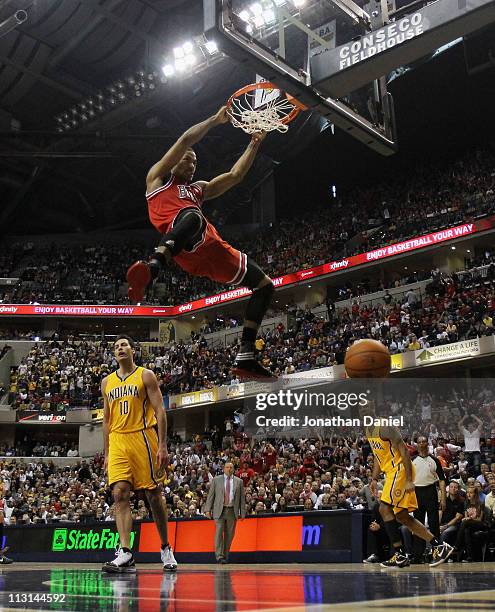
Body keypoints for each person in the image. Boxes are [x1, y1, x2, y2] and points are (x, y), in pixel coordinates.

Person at [126, 106, 275, 380]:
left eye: (195, 163)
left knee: (265, 286)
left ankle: (246, 355)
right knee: (193, 216)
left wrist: (255, 143)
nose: (192, 164)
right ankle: (154, 266)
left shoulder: (199, 189)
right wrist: (215, 120)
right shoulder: (158, 178)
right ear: (174, 161)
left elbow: (235, 176)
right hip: (183, 241)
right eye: (188, 160)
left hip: (212, 248)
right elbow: (185, 140)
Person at [101, 335, 176, 573]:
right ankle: (125, 552)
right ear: (114, 354)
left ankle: (165, 547)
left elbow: (160, 411)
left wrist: (162, 445)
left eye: (124, 344)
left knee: (153, 496)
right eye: (116, 347)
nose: (120, 348)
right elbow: (106, 419)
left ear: (133, 350)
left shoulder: (146, 375)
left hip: (143, 437)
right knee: (119, 494)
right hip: (117, 440)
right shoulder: (106, 382)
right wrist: (107, 452)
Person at [364, 405, 454, 568]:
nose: (363, 412)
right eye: (360, 410)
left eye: (366, 408)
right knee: (402, 516)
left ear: (373, 410)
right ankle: (438, 546)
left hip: (400, 470)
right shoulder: (368, 431)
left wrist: (408, 479)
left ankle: (399, 554)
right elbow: (378, 457)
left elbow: (404, 451)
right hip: (389, 473)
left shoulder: (385, 426)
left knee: (384, 509)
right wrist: (374, 479)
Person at [411, 436, 446, 563]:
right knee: (417, 525)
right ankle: (417, 556)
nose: (422, 444)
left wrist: (443, 498)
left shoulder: (435, 460)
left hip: (431, 491)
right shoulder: (412, 460)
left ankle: (436, 554)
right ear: (416, 444)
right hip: (417, 493)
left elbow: (442, 480)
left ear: (427, 443)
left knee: (434, 524)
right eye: (419, 442)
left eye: (424, 441)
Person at [204, 462, 245, 563]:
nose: (229, 469)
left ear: (233, 469)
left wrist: (242, 512)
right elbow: (211, 495)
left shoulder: (239, 481)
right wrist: (207, 509)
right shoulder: (216, 480)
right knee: (218, 533)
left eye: (231, 467)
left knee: (229, 535)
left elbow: (242, 498)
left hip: (232, 510)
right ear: (223, 469)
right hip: (219, 510)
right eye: (227, 467)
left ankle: (225, 556)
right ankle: (219, 556)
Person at [439, 481, 465, 546]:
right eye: (451, 487)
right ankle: (432, 551)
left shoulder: (461, 501)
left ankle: (441, 553)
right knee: (432, 530)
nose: (453, 489)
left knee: (445, 532)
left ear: (458, 489)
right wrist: (437, 525)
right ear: (449, 488)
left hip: (454, 525)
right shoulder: (444, 500)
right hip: (443, 523)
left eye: (455, 487)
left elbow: (457, 518)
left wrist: (446, 526)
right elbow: (440, 512)